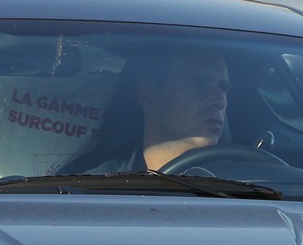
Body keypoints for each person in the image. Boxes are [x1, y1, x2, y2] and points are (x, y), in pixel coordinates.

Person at [65, 47, 233, 173]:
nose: (218, 101)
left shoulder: (244, 184)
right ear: (148, 97)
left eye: (223, 88)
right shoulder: (92, 190)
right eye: (198, 84)